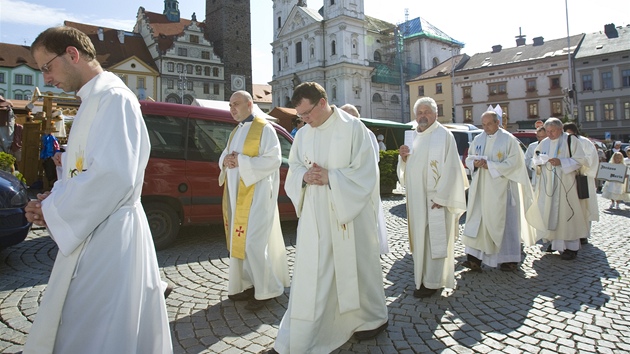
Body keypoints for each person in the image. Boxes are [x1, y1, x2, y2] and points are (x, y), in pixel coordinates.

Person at [23, 26, 172, 353]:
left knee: (99, 332)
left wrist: (52, 209)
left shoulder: (114, 98)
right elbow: (85, 172)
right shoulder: (94, 100)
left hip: (111, 238)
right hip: (97, 230)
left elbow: (112, 176)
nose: (45, 78)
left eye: (47, 67)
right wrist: (55, 197)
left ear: (72, 54)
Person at [269, 82, 388, 354]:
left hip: (349, 214)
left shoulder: (354, 129)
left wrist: (331, 178)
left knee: (358, 267)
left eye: (307, 113)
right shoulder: (303, 134)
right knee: (316, 271)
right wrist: (304, 176)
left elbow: (367, 174)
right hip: (315, 214)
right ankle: (312, 330)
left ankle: (371, 319)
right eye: (300, 116)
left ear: (322, 103)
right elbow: (295, 165)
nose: (304, 120)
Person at [219, 90, 290, 311]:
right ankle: (250, 284)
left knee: (254, 243)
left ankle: (268, 289)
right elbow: (225, 155)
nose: (232, 109)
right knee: (240, 242)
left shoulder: (264, 128)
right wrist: (227, 160)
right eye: (230, 105)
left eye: (236, 104)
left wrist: (240, 160)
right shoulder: (236, 131)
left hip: (258, 195)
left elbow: (273, 160)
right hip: (237, 194)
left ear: (250, 104)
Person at [397, 97, 468, 297]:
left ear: (436, 114)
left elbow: (453, 168)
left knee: (434, 240)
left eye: (427, 112)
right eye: (419, 112)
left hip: (436, 200)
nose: (423, 116)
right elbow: (406, 170)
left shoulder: (443, 136)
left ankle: (433, 282)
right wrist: (403, 159)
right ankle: (421, 277)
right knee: (421, 239)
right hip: (417, 200)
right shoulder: (412, 136)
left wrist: (442, 197)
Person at [461, 111, 539, 272]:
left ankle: (508, 259)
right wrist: (475, 162)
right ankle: (474, 258)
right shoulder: (479, 138)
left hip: (502, 189)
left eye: (489, 124)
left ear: (497, 122)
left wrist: (490, 165)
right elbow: (469, 158)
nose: (486, 127)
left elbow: (515, 163)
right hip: (481, 188)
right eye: (483, 124)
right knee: (478, 221)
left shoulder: (508, 139)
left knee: (504, 223)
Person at [531, 118, 589, 260]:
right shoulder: (544, 143)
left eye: (553, 131)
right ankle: (555, 243)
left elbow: (581, 160)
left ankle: (571, 247)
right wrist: (540, 162)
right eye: (548, 131)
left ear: (560, 129)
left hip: (566, 185)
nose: (550, 134)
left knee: (566, 214)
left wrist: (561, 162)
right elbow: (534, 160)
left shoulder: (570, 141)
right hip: (548, 185)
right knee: (549, 212)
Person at [340, 103, 389, 254]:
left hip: (362, 187)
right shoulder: (340, 134)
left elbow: (371, 164)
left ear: (357, 118)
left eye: (350, 117)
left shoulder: (367, 134)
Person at [563, 122, 599, 245]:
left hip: (582, 178)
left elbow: (590, 160)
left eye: (570, 132)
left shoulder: (585, 142)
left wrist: (576, 166)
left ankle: (584, 234)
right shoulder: (562, 141)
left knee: (584, 206)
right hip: (567, 179)